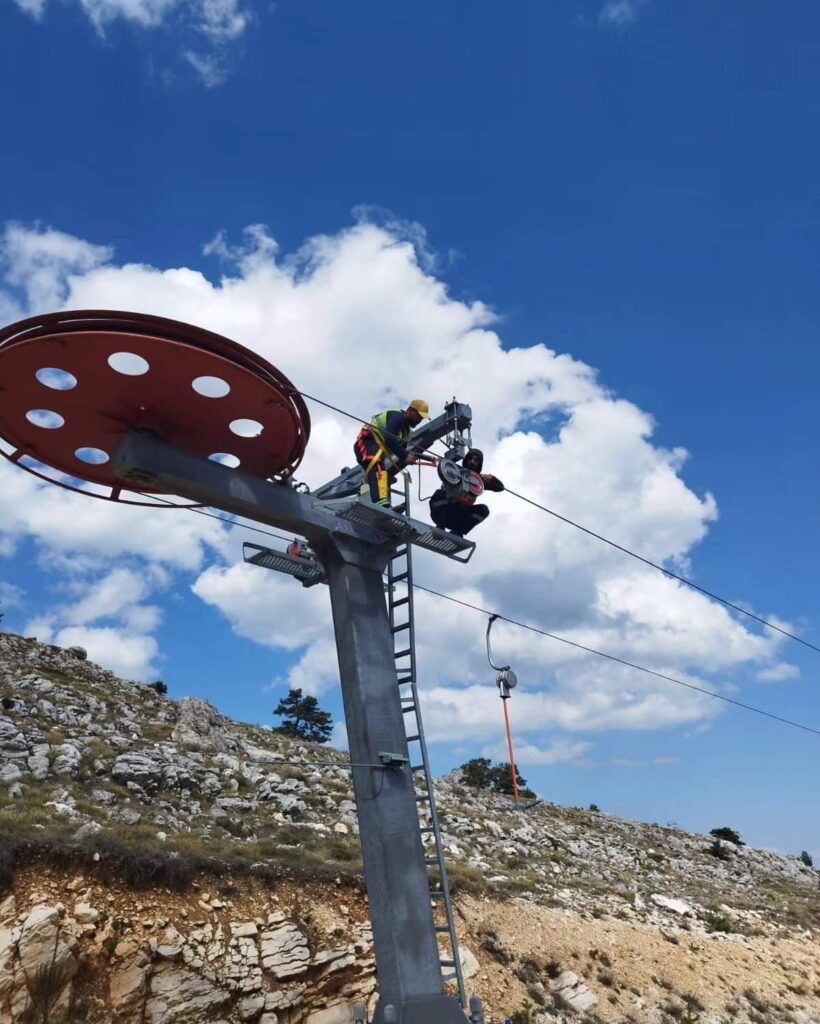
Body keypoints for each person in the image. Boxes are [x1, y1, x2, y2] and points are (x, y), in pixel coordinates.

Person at [354, 400, 431, 506]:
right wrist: (405, 456)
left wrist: (407, 456)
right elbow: (390, 439)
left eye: (421, 418)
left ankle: (382, 501)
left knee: (382, 471)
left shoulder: (405, 432)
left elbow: (400, 450)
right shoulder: (397, 417)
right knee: (377, 465)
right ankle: (380, 502)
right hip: (366, 442)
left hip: (376, 448)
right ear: (410, 410)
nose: (419, 420)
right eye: (418, 416)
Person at [429, 448, 504, 536]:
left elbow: (500, 487)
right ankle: (440, 529)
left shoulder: (478, 481)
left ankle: (458, 532)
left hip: (459, 517)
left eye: (476, 460)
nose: (472, 462)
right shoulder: (454, 470)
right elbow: (443, 466)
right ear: (466, 459)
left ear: (479, 464)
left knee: (483, 510)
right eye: (470, 458)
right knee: (439, 494)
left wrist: (491, 479)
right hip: (444, 511)